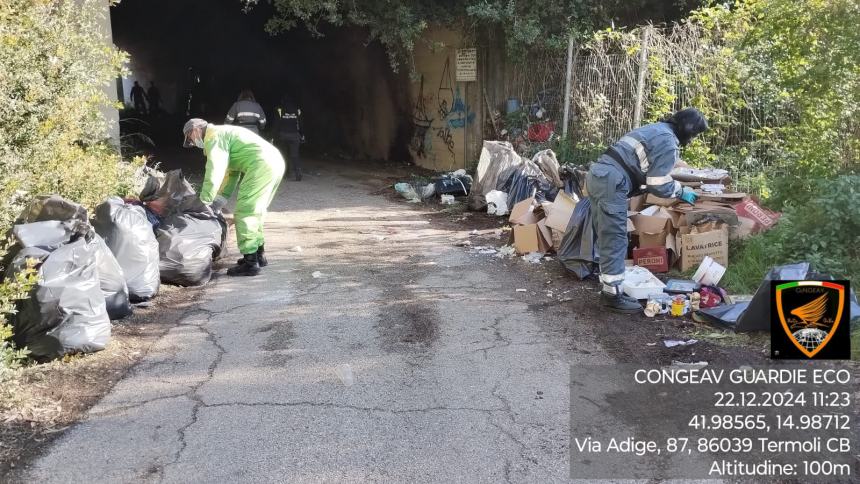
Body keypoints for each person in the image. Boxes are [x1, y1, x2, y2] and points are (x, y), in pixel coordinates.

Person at [588, 108, 708, 313]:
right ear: (688, 129)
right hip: (613, 181)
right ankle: (612, 296)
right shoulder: (669, 142)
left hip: (599, 175)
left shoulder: (656, 129)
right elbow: (658, 183)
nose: (693, 139)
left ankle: (610, 288)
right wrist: (681, 191)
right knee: (615, 237)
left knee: (607, 234)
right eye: (695, 134)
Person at [182, 118, 285, 276]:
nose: (193, 142)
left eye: (190, 138)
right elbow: (231, 174)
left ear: (195, 130)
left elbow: (215, 170)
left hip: (260, 164)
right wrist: (217, 203)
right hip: (274, 162)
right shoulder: (224, 133)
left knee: (246, 211)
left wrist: (204, 201)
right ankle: (258, 254)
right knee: (256, 211)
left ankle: (251, 263)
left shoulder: (213, 137)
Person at [273, 96, 304, 181]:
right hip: (294, 135)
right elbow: (300, 124)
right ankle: (298, 173)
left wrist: (273, 136)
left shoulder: (279, 110)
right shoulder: (297, 110)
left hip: (283, 135)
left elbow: (277, 124)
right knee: (295, 155)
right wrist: (302, 134)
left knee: (283, 155)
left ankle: (284, 173)